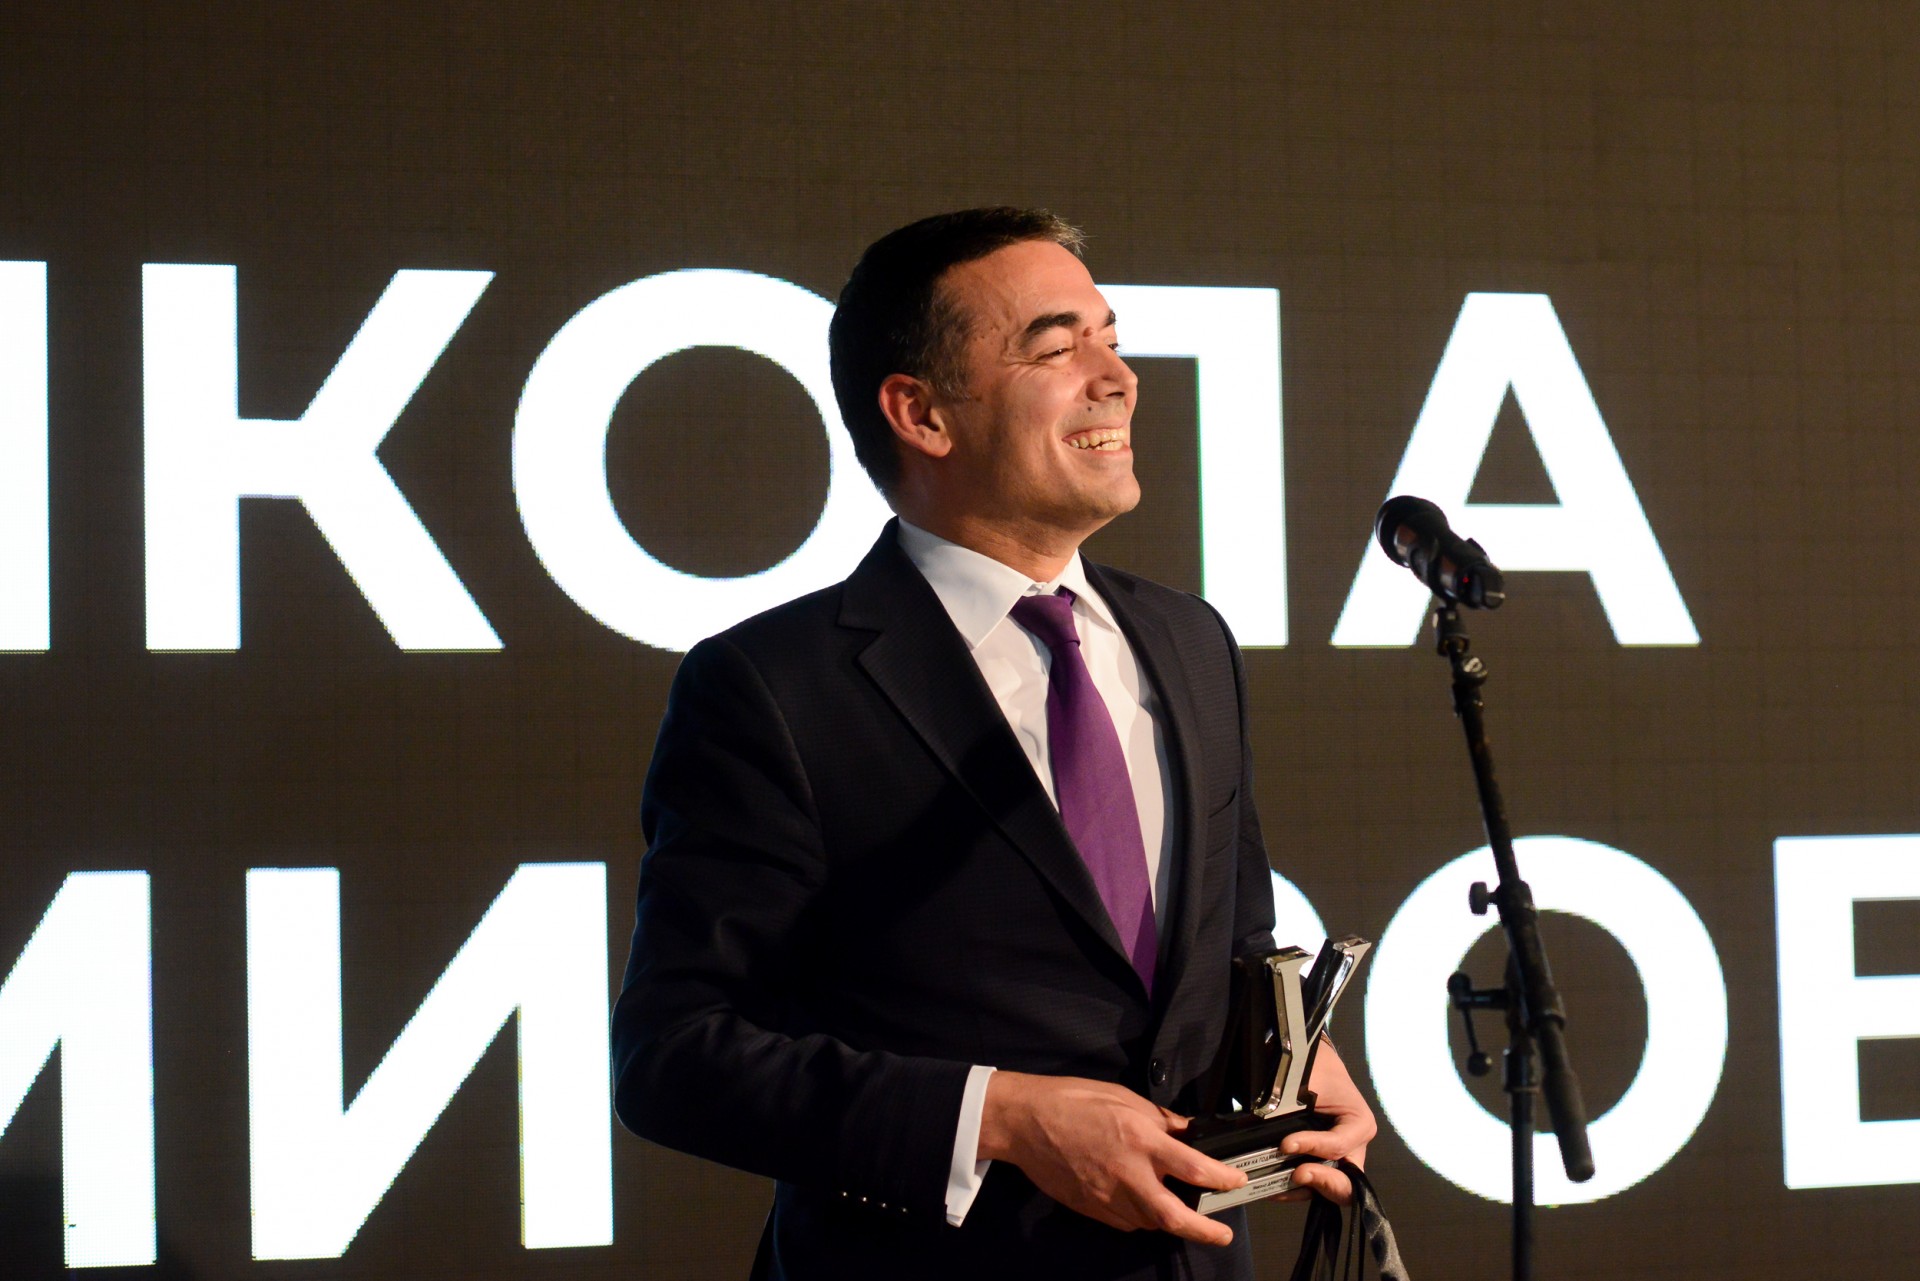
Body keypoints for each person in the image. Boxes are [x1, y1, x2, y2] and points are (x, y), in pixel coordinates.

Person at [611, 208, 1376, 1281]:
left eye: (1112, 339)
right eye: (1058, 349)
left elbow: (1233, 943)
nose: (1118, 378)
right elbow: (675, 1056)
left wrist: (1291, 1054)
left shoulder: (1190, 640)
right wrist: (1002, 1117)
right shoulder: (773, 686)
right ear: (921, 413)